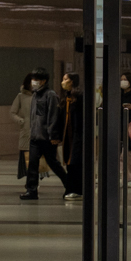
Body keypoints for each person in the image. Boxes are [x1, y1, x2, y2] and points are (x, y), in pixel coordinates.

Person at [21, 67, 69, 201]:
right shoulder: (35, 94)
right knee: (32, 164)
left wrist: (53, 136)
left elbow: (53, 116)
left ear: (44, 81)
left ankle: (69, 185)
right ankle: (31, 190)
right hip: (35, 137)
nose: (34, 82)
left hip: (47, 138)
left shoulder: (50, 95)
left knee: (53, 163)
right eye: (33, 79)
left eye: (37, 79)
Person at [59, 72, 85, 200]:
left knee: (75, 163)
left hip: (77, 135)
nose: (63, 82)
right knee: (70, 163)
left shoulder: (79, 97)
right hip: (68, 136)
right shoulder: (66, 97)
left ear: (72, 81)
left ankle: (77, 189)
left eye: (65, 79)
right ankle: (71, 188)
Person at [9, 73, 34, 190]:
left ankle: (34, 181)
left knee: (39, 158)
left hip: (38, 130)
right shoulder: (21, 96)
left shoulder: (41, 95)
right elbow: (12, 112)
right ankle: (30, 182)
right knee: (27, 156)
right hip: (26, 130)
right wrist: (21, 121)